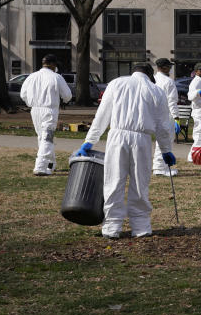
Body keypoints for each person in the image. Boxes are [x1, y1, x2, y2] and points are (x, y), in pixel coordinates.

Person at [74, 64, 175, 239]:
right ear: (150, 75)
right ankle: (141, 226)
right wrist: (166, 149)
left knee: (114, 180)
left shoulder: (116, 83)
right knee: (140, 181)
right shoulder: (156, 91)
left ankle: (112, 226)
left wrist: (89, 141)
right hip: (142, 139)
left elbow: (102, 115)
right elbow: (162, 125)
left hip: (117, 136)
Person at [20, 54, 72, 175]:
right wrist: (64, 100)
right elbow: (68, 95)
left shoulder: (32, 77)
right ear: (53, 64)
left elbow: (23, 94)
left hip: (35, 110)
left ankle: (50, 163)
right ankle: (40, 166)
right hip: (49, 110)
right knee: (47, 138)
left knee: (42, 138)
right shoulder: (56, 77)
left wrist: (31, 103)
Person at [152, 58, 181, 177]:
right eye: (169, 67)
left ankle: (158, 166)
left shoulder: (152, 79)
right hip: (166, 115)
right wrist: (176, 118)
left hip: (153, 114)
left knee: (160, 141)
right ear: (164, 67)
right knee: (165, 140)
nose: (170, 69)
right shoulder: (168, 82)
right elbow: (172, 102)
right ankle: (160, 168)